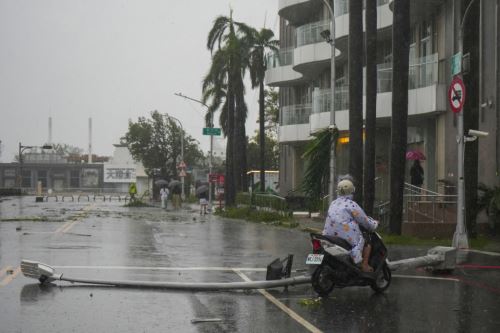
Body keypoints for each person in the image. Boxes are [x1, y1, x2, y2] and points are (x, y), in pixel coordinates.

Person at [323, 178, 379, 272]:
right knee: (366, 243)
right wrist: (373, 224)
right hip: (345, 235)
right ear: (351, 190)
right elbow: (363, 219)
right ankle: (364, 265)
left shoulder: (333, 203)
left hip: (329, 234)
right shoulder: (351, 204)